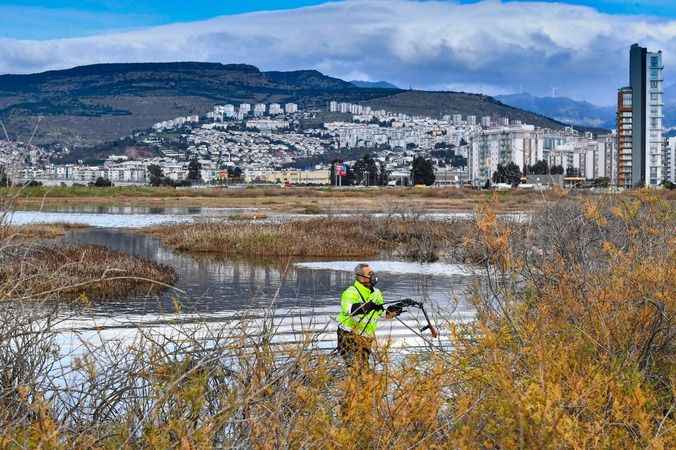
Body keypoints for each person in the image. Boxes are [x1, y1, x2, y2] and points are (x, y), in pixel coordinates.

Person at [336, 263, 402, 367]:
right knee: (352, 367)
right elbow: (350, 310)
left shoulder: (377, 293)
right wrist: (367, 306)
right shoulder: (350, 292)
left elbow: (382, 313)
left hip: (366, 338)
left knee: (364, 368)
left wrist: (393, 311)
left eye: (373, 273)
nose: (373, 276)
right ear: (360, 277)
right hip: (348, 336)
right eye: (370, 274)